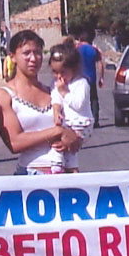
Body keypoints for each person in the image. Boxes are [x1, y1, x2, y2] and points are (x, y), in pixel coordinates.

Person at [0, 30, 97, 256]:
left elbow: (76, 130)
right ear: (12, 57)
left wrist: (71, 136)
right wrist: (55, 131)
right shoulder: (3, 95)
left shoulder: (52, 89)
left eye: (37, 52)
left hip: (61, 176)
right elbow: (14, 142)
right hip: (29, 181)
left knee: (64, 251)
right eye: (26, 52)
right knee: (30, 255)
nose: (34, 58)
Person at [47, 41, 93, 174]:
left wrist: (64, 92)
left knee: (58, 142)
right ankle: (72, 170)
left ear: (74, 68)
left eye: (63, 72)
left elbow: (78, 104)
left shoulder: (81, 83)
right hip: (69, 122)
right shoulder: (57, 84)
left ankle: (56, 167)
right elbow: (55, 97)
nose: (59, 76)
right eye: (55, 72)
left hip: (81, 123)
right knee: (70, 152)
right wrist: (56, 110)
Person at [75, 28, 105, 128]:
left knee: (79, 99)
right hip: (91, 78)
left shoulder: (76, 49)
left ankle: (80, 119)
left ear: (80, 38)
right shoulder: (94, 50)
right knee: (93, 99)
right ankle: (95, 120)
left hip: (78, 78)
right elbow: (100, 64)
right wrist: (101, 78)